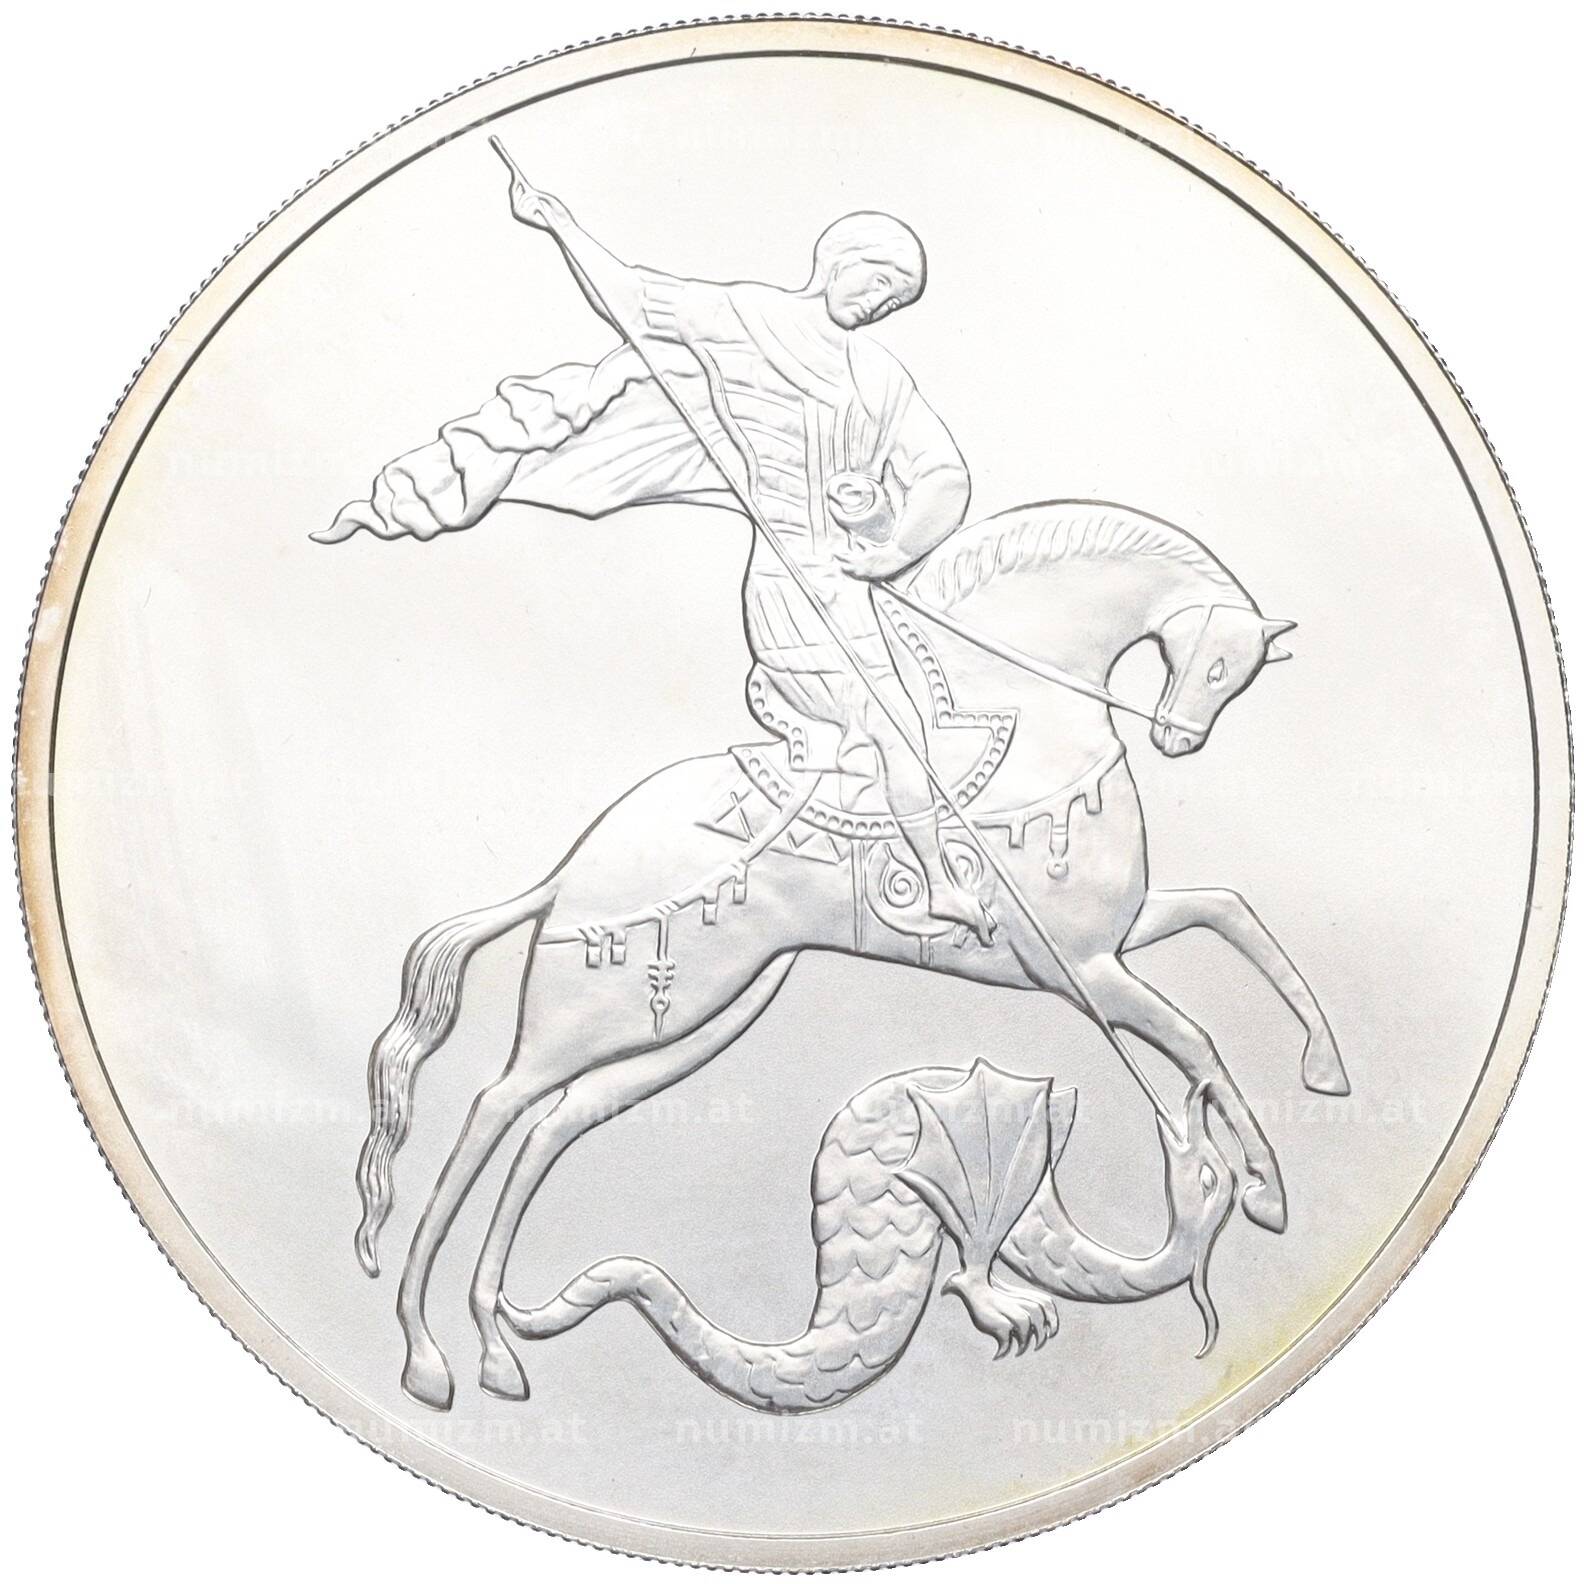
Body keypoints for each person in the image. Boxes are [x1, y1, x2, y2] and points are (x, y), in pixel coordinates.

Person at [320, 173, 989, 941]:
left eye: (896, 298)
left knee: (917, 715)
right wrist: (560, 225)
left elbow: (944, 473)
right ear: (839, 259)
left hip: (851, 589)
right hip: (788, 591)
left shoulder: (881, 375)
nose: (881, 304)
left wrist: (891, 543)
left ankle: (878, 853)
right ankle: (937, 885)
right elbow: (631, 298)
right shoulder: (745, 318)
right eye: (878, 281)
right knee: (896, 726)